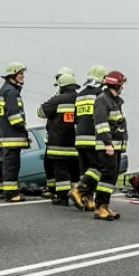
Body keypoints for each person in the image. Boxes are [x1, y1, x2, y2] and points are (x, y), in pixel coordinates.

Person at [70, 70, 127, 221]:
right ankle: (99, 207)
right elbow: (101, 123)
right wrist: (108, 144)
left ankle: (104, 206)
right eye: (122, 84)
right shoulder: (103, 100)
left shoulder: (115, 101)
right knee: (106, 176)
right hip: (108, 145)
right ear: (117, 85)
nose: (123, 87)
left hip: (116, 145)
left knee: (110, 177)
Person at [0, 62, 29, 201]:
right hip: (12, 135)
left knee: (6, 163)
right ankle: (11, 194)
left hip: (7, 135)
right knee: (11, 165)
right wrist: (24, 130)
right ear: (13, 75)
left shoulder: (5, 90)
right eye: (20, 73)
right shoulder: (11, 91)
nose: (23, 76)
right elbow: (14, 116)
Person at [38, 67, 80, 205]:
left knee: (61, 171)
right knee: (75, 171)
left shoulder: (58, 99)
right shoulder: (81, 99)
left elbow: (41, 112)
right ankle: (77, 195)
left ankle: (62, 197)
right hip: (77, 143)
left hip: (59, 144)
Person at [72, 66, 106, 212]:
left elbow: (74, 118)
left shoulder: (79, 95)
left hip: (79, 138)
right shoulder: (100, 94)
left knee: (85, 170)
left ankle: (88, 200)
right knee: (97, 169)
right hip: (93, 138)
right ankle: (78, 191)